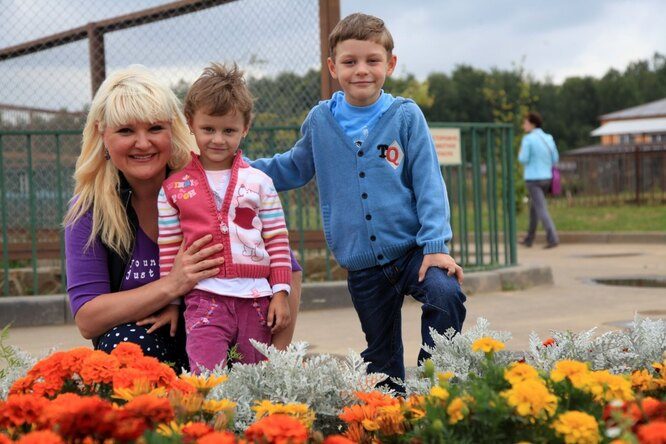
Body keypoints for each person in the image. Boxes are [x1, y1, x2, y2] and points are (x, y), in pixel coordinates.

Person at [251, 13, 466, 392]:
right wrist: (237, 168)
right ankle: (390, 412)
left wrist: (436, 245)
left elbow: (429, 182)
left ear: (390, 64)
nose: (361, 70)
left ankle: (437, 386)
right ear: (333, 67)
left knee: (445, 293)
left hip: (414, 252)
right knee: (382, 361)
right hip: (363, 266)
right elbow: (293, 167)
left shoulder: (405, 116)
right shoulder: (320, 120)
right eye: (350, 62)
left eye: (372, 60)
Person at [64, 65, 225, 368]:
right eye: (126, 131)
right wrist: (171, 285)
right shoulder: (88, 211)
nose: (142, 143)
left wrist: (273, 361)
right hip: (144, 352)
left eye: (155, 128)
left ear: (173, 130)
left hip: (216, 337)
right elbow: (87, 318)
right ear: (103, 135)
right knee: (125, 344)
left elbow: (286, 272)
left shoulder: (211, 188)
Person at [158, 63, 292, 371]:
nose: (218, 139)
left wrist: (280, 293)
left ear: (245, 128)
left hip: (257, 301)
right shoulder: (174, 189)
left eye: (229, 131)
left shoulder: (260, 183)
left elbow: (277, 241)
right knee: (206, 378)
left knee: (254, 381)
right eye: (208, 129)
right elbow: (169, 249)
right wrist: (171, 302)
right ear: (191, 123)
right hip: (203, 299)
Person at [518, 112, 560, 249]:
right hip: (547, 177)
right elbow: (555, 158)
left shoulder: (528, 139)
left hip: (533, 179)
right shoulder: (548, 138)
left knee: (541, 208)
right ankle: (529, 239)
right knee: (534, 208)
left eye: (525, 123)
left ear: (532, 124)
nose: (523, 125)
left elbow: (523, 159)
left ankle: (552, 238)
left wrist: (521, 152)